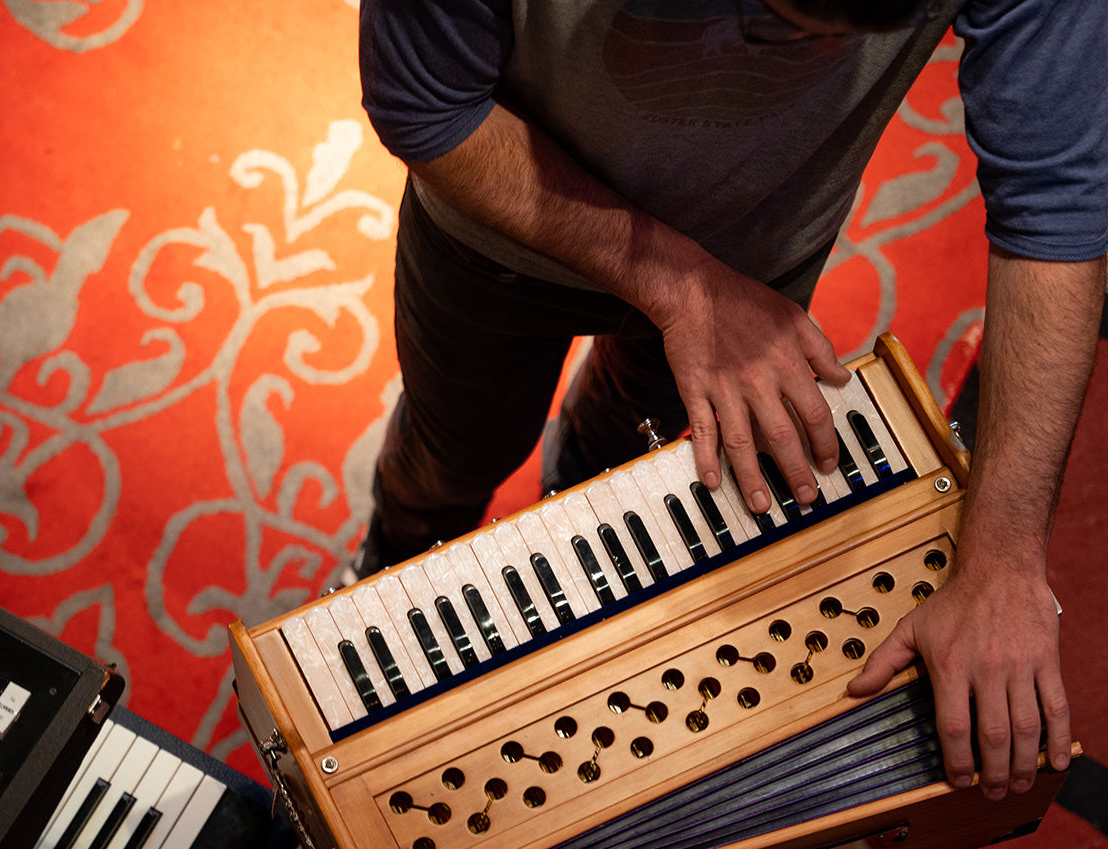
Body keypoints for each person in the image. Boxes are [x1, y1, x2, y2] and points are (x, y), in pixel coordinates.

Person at [354, 0, 1108, 800]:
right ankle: (388, 579)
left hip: (757, 251)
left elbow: (1057, 209)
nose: (800, 52)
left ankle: (576, 500)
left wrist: (1005, 563)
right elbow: (426, 107)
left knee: (621, 466)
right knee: (456, 454)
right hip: (496, 240)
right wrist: (685, 289)